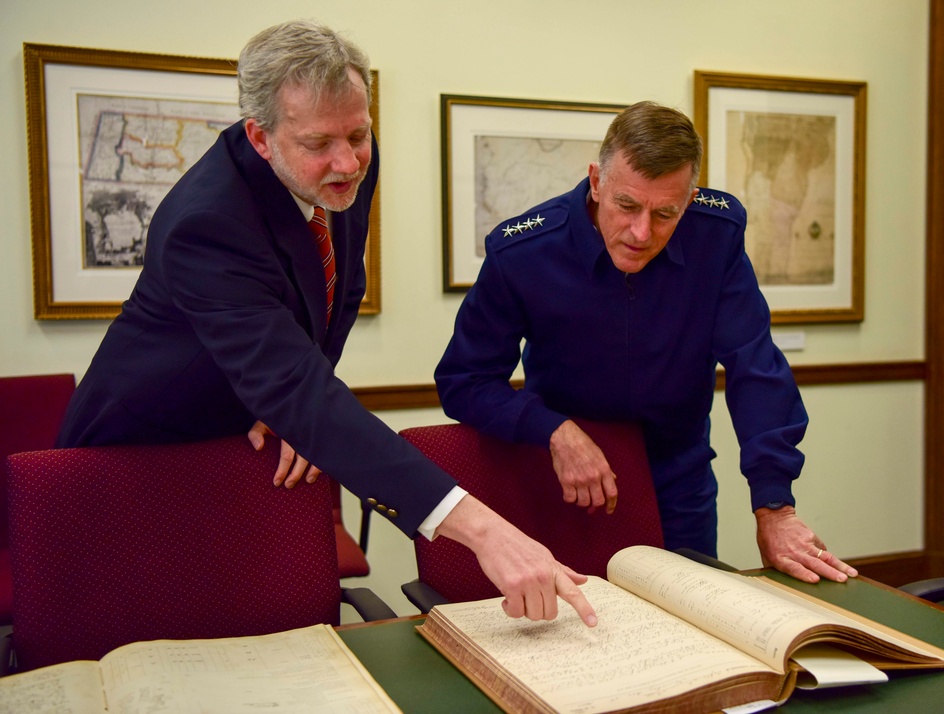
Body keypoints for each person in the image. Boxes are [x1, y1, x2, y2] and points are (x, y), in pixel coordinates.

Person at [56, 19, 596, 626]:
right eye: (319, 144)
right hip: (138, 457)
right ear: (261, 137)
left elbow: (339, 294)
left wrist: (284, 403)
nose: (347, 162)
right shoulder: (204, 224)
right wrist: (487, 532)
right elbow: (296, 384)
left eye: (359, 134)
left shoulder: (342, 165)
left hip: (246, 439)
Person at [435, 101, 858, 584]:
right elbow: (463, 382)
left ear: (690, 198)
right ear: (596, 181)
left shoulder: (714, 236)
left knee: (692, 624)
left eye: (665, 213)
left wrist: (775, 505)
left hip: (677, 478)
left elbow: (756, 367)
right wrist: (553, 430)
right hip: (566, 477)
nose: (641, 233)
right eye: (627, 206)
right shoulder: (525, 251)